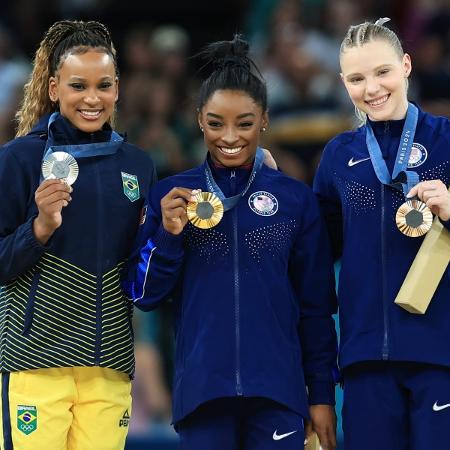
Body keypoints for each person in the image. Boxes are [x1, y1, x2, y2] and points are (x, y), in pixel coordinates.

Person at [123, 34, 338, 450]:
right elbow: (143, 294)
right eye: (217, 123)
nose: (230, 137)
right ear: (200, 118)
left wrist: (323, 395)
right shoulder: (172, 195)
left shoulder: (295, 200)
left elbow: (316, 309)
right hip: (203, 394)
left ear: (264, 120)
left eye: (244, 122)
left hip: (278, 393)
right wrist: (168, 237)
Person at [0, 20, 156, 450]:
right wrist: (40, 228)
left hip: (108, 366)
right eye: (77, 86)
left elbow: (144, 270)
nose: (92, 98)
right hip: (35, 362)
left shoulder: (138, 166)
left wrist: (172, 235)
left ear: (118, 89)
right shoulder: (19, 160)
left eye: (103, 85)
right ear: (54, 89)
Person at [313, 17, 450, 450]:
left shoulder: (447, 140)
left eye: (382, 72)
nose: (371, 88)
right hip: (364, 359)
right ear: (342, 83)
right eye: (356, 78)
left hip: (440, 357)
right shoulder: (338, 156)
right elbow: (315, 265)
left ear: (406, 65)